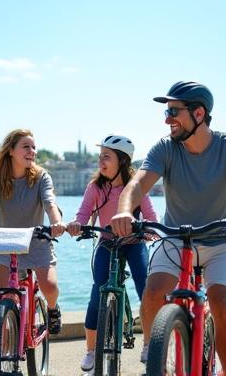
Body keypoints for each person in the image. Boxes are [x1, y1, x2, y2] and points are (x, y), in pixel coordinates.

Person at [111, 81, 226, 376]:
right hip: (177, 237)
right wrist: (124, 211)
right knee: (153, 292)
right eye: (167, 111)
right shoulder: (165, 148)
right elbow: (137, 184)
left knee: (223, 303)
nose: (167, 119)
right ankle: (155, 357)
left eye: (174, 111)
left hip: (223, 240)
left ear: (199, 113)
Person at [67, 134, 158, 372]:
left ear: (123, 161)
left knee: (146, 288)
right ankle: (90, 350)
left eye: (106, 157)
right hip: (107, 243)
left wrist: (151, 229)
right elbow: (83, 214)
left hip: (134, 242)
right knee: (97, 294)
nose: (101, 161)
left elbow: (150, 216)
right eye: (100, 157)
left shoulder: (136, 187)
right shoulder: (95, 187)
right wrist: (77, 224)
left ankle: (149, 343)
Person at [0, 129, 66, 333]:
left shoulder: (41, 177)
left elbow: (50, 203)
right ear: (11, 150)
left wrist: (57, 223)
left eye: (34, 147)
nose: (32, 151)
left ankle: (53, 309)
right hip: (3, 243)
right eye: (26, 146)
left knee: (50, 287)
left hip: (36, 241)